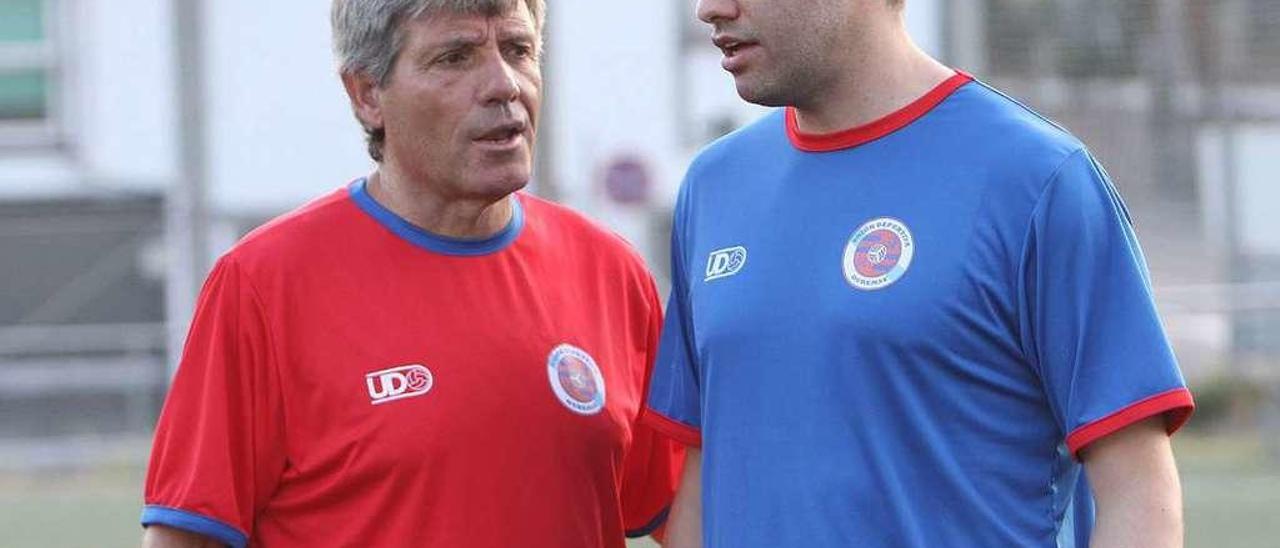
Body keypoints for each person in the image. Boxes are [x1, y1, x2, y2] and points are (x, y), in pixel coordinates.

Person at [644, 1, 1194, 547]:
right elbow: (701, 476)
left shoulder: (1036, 179)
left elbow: (1139, 492)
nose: (708, 8)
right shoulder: (714, 187)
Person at [140, 1, 682, 546]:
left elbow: (684, 515)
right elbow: (185, 537)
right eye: (455, 57)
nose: (503, 84)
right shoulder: (264, 284)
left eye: (518, 50)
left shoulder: (610, 272)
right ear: (367, 94)